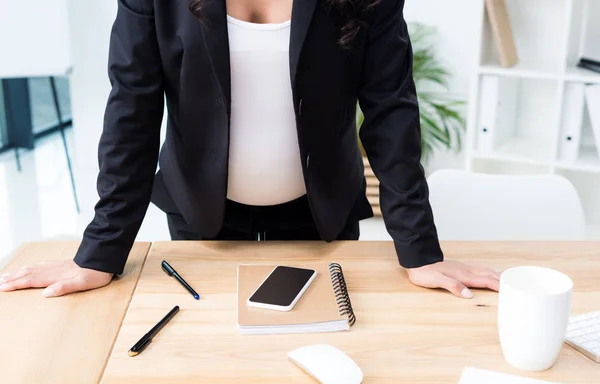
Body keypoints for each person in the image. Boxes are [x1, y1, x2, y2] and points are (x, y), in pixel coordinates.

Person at [0, 0, 499, 298]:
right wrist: (100, 253)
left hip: (322, 215)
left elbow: (391, 111)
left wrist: (419, 252)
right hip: (202, 218)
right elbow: (132, 110)